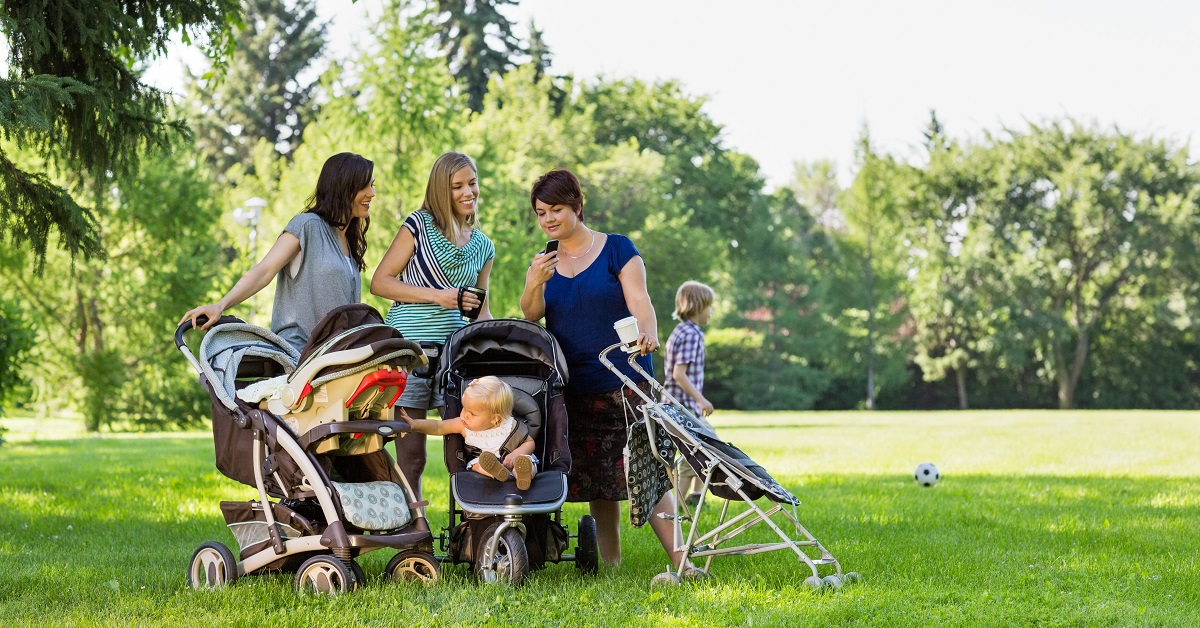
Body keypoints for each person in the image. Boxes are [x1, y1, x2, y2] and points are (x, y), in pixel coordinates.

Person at [520, 168, 699, 575]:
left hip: (625, 382)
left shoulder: (617, 248)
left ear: (578, 207)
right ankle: (612, 566)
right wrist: (533, 282)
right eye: (541, 212)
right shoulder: (545, 260)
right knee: (600, 481)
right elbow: (532, 314)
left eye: (557, 209)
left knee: (645, 471)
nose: (548, 219)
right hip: (574, 387)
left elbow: (640, 300)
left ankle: (684, 563)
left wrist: (649, 333)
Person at [370, 151, 495, 495]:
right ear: (442, 190)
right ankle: (415, 531)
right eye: (458, 186)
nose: (468, 192)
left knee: (464, 448)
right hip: (409, 354)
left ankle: (470, 527)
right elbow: (380, 282)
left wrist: (494, 343)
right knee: (412, 456)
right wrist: (440, 296)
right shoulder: (417, 226)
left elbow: (480, 311)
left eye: (472, 183)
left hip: (454, 359)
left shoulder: (484, 246)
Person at [181, 153, 375, 351]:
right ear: (343, 187)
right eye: (364, 186)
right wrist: (220, 305)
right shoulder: (307, 226)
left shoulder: (347, 242)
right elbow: (264, 270)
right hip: (299, 356)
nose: (372, 193)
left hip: (336, 358)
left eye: (372, 185)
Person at [397, 376, 538, 490]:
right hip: (484, 459)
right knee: (478, 464)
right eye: (464, 409)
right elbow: (438, 426)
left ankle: (523, 475)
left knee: (528, 461)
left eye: (472, 413)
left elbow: (529, 442)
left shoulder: (509, 425)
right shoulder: (463, 425)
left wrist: (515, 454)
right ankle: (496, 471)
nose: (464, 415)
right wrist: (415, 424)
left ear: (495, 418)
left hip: (514, 460)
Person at [663, 280, 716, 506]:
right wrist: (700, 399)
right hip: (683, 407)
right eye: (709, 306)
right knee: (706, 445)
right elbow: (679, 373)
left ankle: (694, 495)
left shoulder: (681, 330)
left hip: (677, 406)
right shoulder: (692, 334)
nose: (711, 312)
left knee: (701, 447)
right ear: (697, 306)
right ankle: (680, 504)